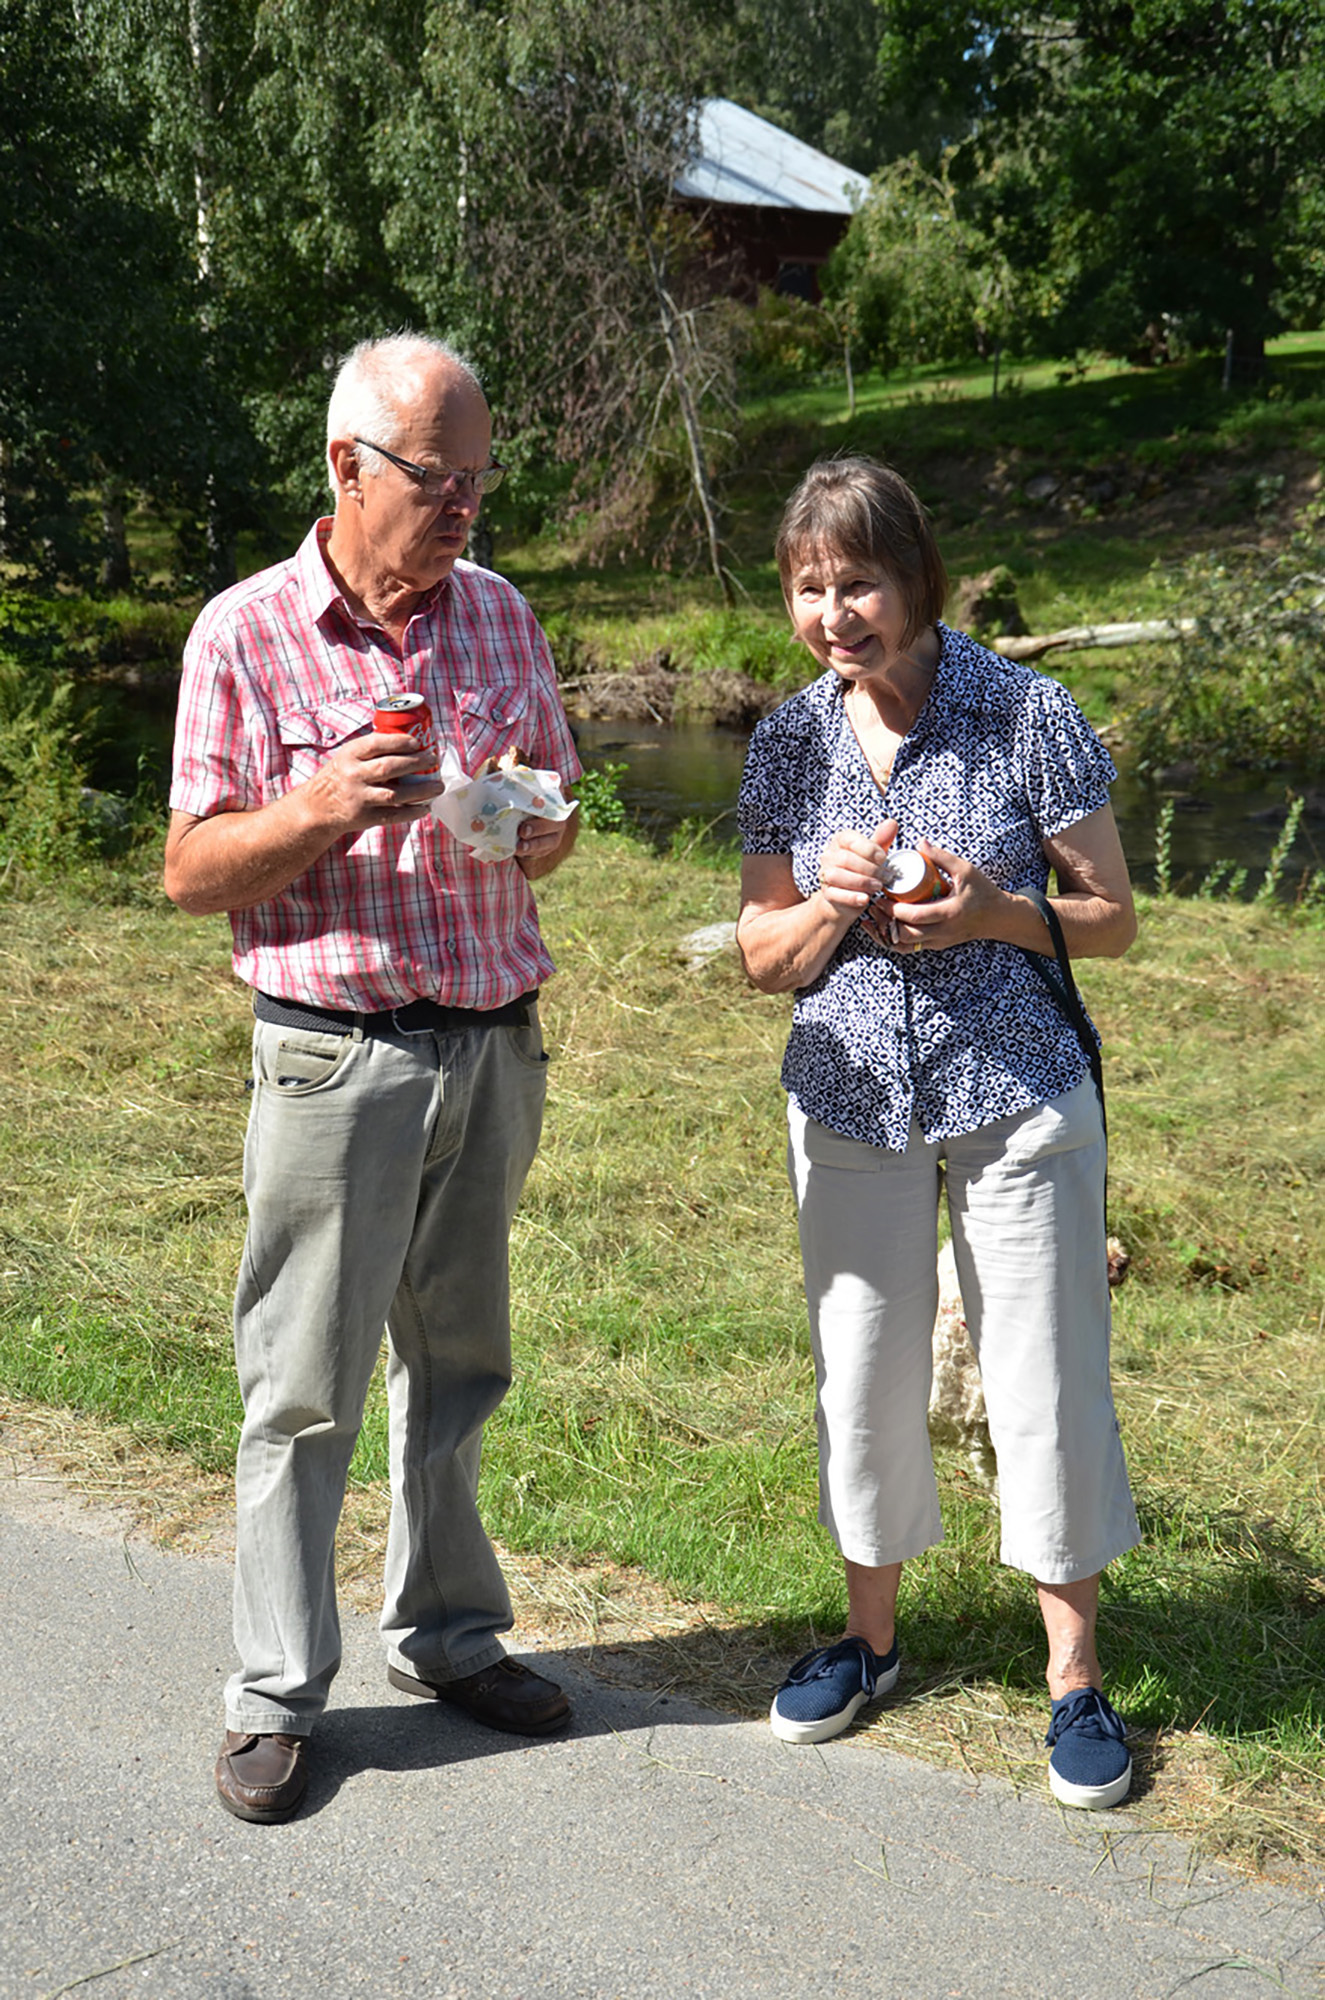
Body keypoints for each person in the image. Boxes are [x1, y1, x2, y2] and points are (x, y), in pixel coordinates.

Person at [165, 332, 582, 1824]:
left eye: (479, 481)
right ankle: (274, 1694)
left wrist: (540, 830)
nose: (465, 507)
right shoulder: (244, 632)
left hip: (489, 1035)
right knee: (300, 1390)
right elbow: (191, 869)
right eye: (437, 480)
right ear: (347, 466)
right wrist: (323, 804)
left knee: (458, 1370)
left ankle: (451, 1640)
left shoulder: (499, 615)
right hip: (336, 1054)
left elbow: (555, 804)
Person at [736, 455, 1140, 1810]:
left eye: (857, 582)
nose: (833, 613)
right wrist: (824, 912)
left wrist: (991, 912)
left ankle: (1072, 1678)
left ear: (917, 580)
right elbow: (758, 952)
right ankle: (868, 1641)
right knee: (860, 1374)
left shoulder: (1026, 712)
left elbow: (1111, 920)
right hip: (848, 1098)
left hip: (1015, 1094)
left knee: (1040, 1376)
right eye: (808, 587)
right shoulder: (789, 740)